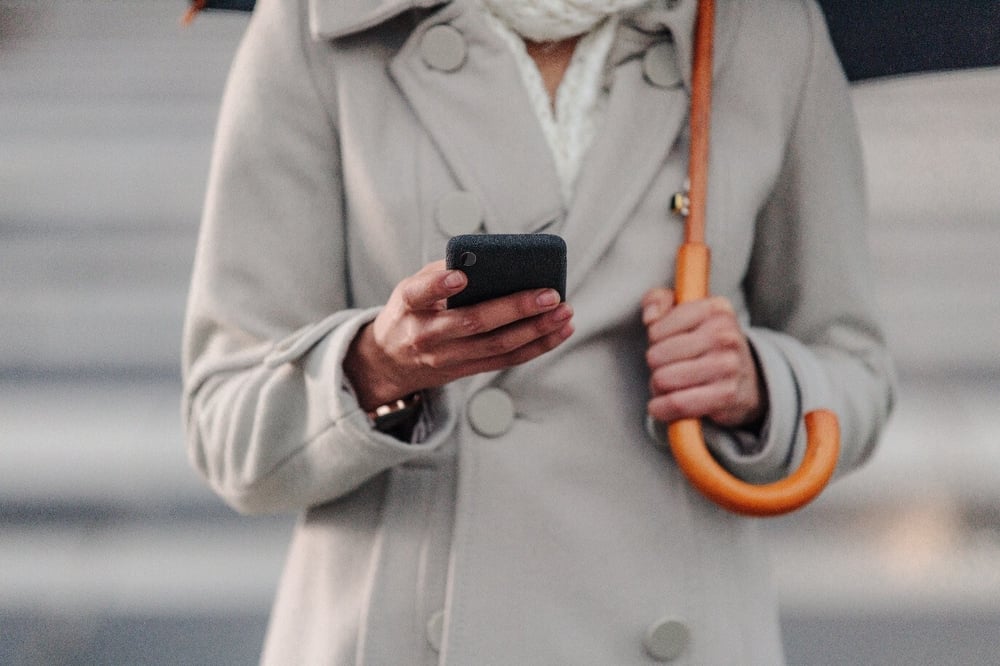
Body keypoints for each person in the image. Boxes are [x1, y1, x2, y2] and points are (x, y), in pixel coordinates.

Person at [181, 0, 895, 662]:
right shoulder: (315, 26)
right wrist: (376, 369)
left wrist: (758, 384)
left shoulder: (761, 30)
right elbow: (226, 423)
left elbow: (854, 367)